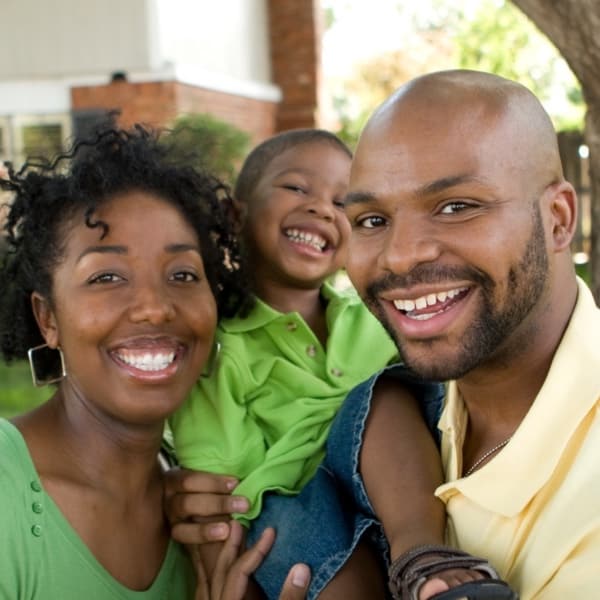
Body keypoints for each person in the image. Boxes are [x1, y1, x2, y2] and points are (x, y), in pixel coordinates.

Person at [167, 129, 510, 600]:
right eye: (296, 188)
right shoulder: (218, 345)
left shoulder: (375, 317)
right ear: (236, 212)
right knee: (288, 526)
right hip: (293, 510)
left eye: (342, 202)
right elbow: (222, 497)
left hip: (396, 495)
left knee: (382, 398)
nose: (322, 209)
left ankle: (424, 559)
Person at [0, 126, 310, 600]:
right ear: (48, 317)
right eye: (106, 276)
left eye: (183, 274)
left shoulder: (202, 522)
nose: (155, 307)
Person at [338, 69, 600, 597]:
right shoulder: (410, 406)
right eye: (371, 220)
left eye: (457, 207)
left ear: (557, 219)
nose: (401, 254)